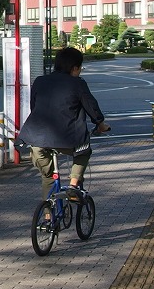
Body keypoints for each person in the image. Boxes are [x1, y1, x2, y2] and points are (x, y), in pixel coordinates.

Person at [19, 46, 110, 198]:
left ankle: (48, 218)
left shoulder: (40, 81)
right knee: (84, 151)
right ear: (75, 68)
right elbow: (91, 107)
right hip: (68, 139)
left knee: (48, 177)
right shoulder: (77, 83)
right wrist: (101, 125)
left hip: (35, 138)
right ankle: (73, 186)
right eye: (80, 68)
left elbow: (34, 107)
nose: (80, 71)